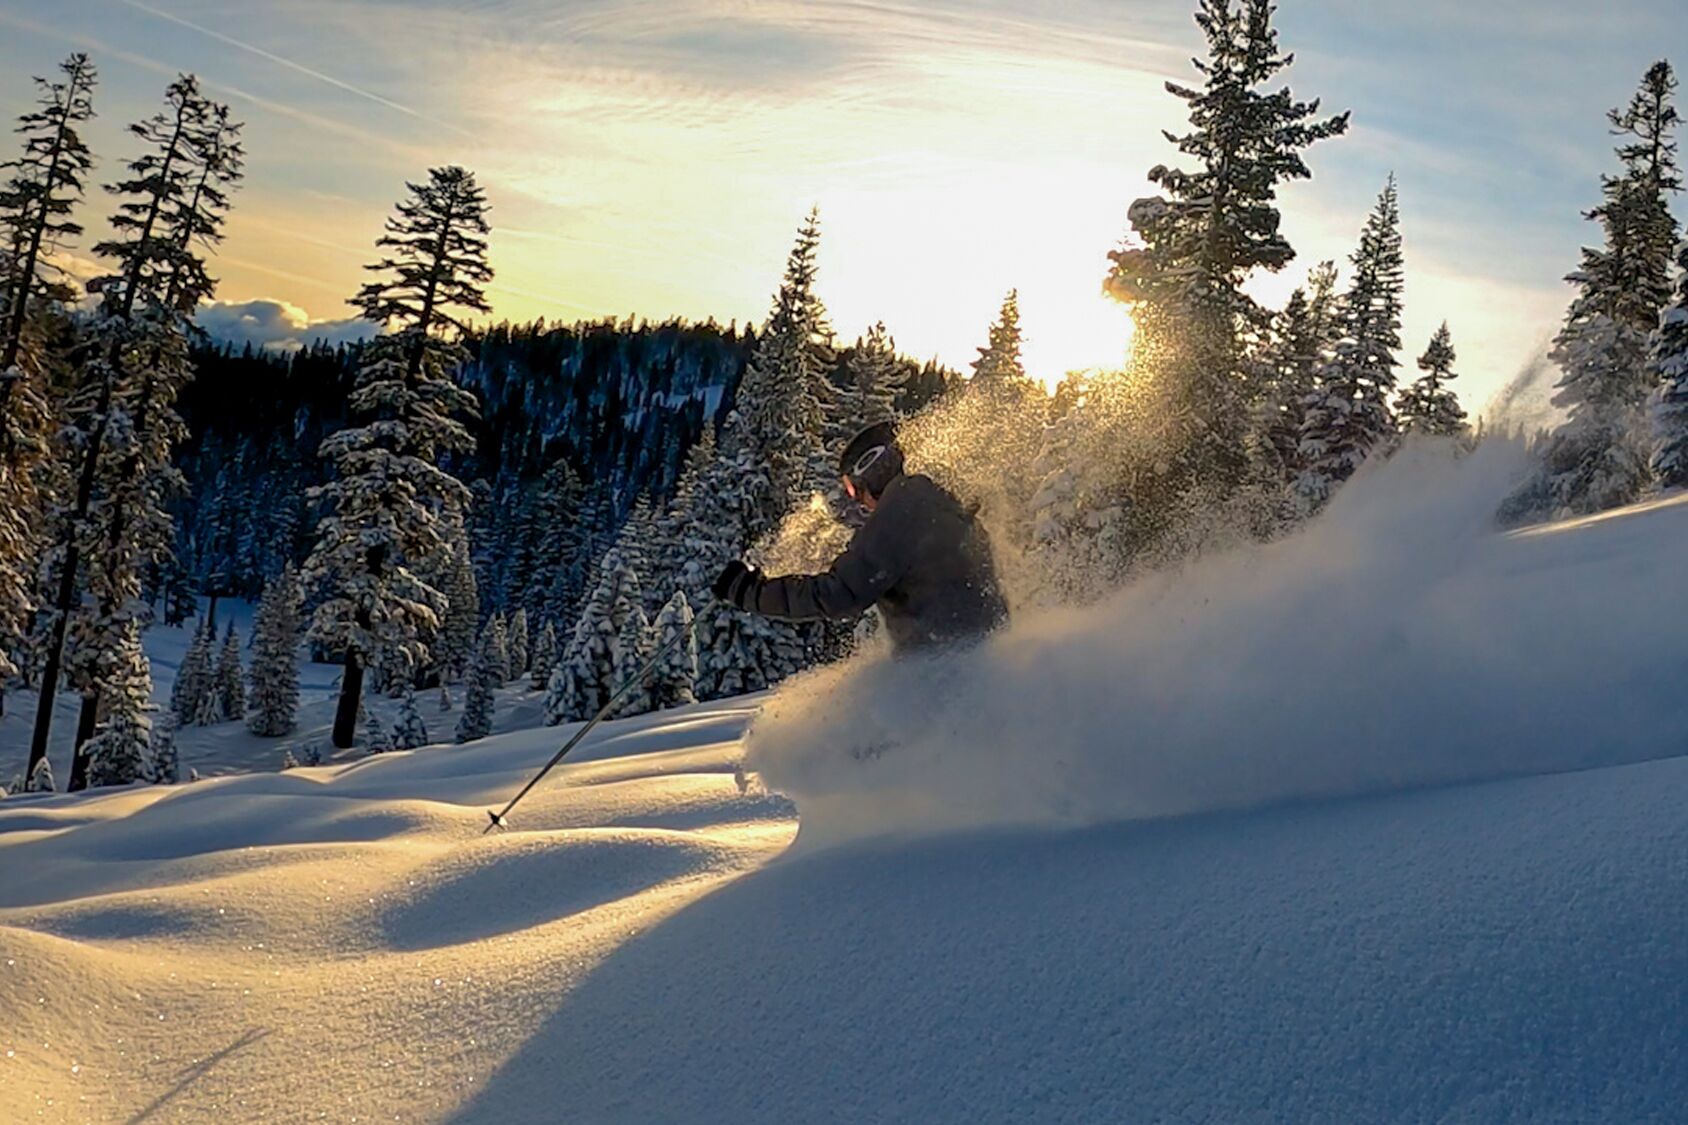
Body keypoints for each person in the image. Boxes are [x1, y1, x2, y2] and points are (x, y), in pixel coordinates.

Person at [712, 421, 1008, 653]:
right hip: (974, 655)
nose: (856, 499)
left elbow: (839, 594)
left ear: (872, 471)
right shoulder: (935, 501)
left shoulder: (902, 510)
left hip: (945, 663)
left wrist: (750, 592)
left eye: (853, 488)